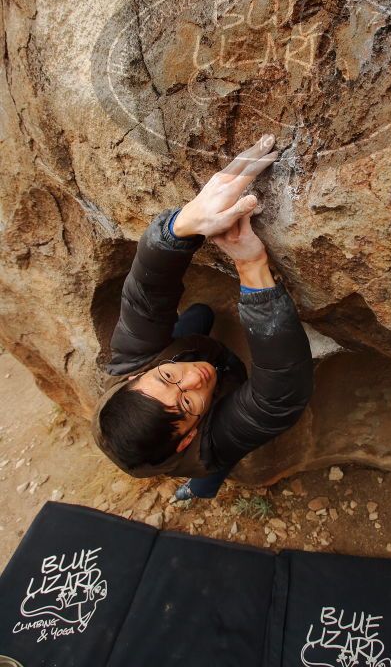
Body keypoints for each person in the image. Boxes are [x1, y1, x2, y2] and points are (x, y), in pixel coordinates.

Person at [91, 135, 314, 502]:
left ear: (135, 377)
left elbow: (145, 297)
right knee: (216, 469)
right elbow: (278, 396)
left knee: (199, 316)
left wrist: (184, 224)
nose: (195, 377)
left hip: (179, 350)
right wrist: (251, 264)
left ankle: (191, 363)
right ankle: (197, 490)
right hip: (205, 455)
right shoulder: (208, 444)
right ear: (191, 434)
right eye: (188, 404)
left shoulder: (130, 364)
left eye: (167, 377)